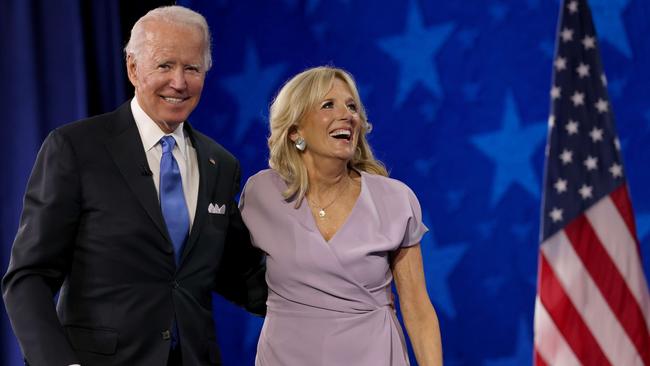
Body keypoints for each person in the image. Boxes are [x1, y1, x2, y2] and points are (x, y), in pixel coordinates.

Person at [2, 6, 266, 366]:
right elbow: (29, 277)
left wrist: (339, 291)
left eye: (192, 68)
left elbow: (242, 275)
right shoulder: (76, 149)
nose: (179, 82)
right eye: (164, 65)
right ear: (132, 67)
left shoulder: (220, 164)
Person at [239, 66, 442, 365]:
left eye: (352, 106)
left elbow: (417, 307)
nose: (347, 115)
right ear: (296, 131)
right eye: (328, 105)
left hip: (373, 355)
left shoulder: (394, 199)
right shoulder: (261, 194)